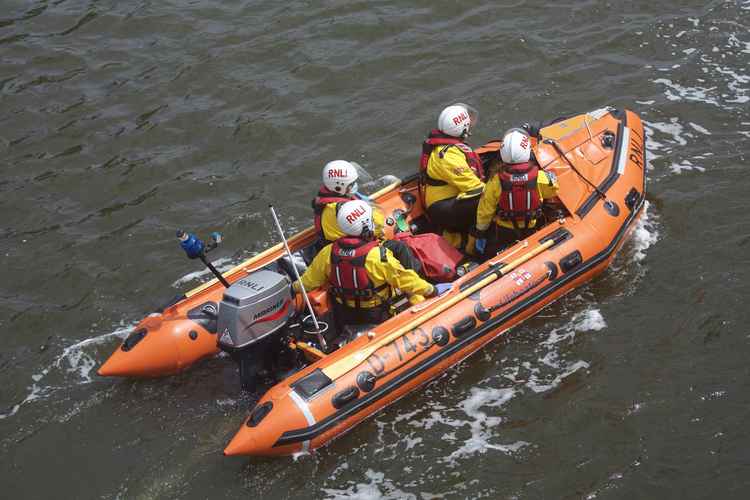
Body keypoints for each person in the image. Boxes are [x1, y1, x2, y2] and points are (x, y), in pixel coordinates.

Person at [294, 200, 451, 327]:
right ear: (366, 224)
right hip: (375, 315)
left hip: (343, 314)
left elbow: (308, 281)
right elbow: (406, 280)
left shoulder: (327, 252)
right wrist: (432, 290)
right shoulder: (378, 256)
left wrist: (292, 288)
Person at [312, 160, 421, 271]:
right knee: (400, 248)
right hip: (353, 250)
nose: (355, 186)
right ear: (339, 186)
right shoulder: (344, 209)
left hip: (339, 247)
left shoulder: (327, 203)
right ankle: (418, 276)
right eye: (351, 184)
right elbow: (376, 226)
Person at [474, 128, 560, 257]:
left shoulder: (495, 181)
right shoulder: (540, 177)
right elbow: (553, 190)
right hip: (531, 227)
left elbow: (485, 210)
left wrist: (480, 231)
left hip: (504, 230)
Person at [419, 103, 486, 252]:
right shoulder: (447, 156)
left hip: (449, 200)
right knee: (486, 197)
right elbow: (475, 187)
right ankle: (472, 242)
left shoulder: (449, 148)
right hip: (442, 209)